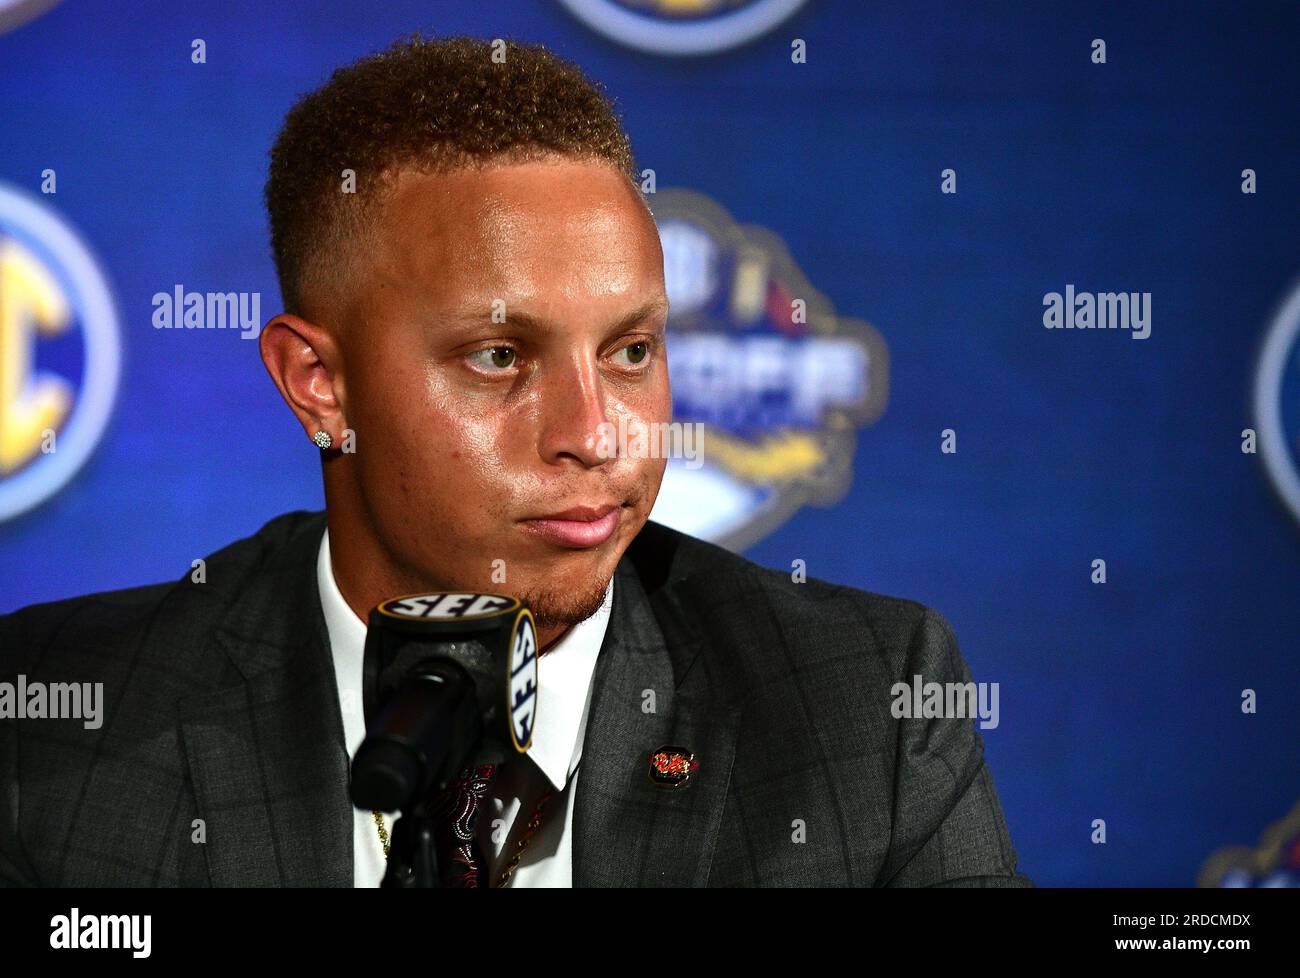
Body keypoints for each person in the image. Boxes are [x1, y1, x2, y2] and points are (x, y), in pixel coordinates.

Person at [0, 34, 1030, 887]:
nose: (595, 431)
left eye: (631, 351)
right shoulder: (49, 730)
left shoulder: (860, 711)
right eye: (499, 358)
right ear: (320, 383)